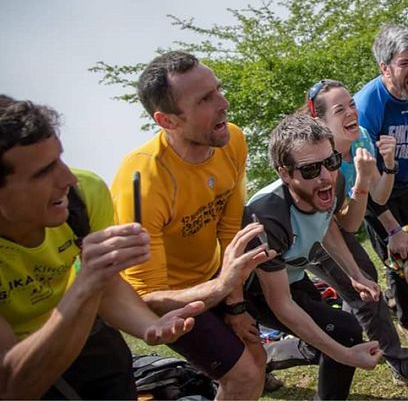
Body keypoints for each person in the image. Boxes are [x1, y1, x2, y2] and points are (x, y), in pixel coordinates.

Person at [0, 97, 201, 399]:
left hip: (88, 334)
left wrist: (151, 325)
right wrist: (86, 284)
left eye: (61, 159)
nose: (67, 178)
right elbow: (13, 386)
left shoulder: (84, 193)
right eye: (44, 172)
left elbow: (107, 285)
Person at [110, 51, 274, 399]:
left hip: (216, 278)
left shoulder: (232, 140)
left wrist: (235, 305)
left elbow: (229, 232)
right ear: (167, 120)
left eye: (218, 90)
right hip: (174, 299)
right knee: (244, 376)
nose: (224, 103)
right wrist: (219, 291)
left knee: (256, 359)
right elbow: (147, 297)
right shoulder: (142, 180)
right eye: (205, 99)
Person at [303, 79, 408, 389]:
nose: (351, 112)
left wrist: (390, 165)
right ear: (321, 121)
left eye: (351, 104)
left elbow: (377, 198)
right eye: (340, 109)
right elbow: (342, 222)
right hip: (300, 235)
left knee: (355, 294)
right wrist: (364, 184)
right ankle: (402, 365)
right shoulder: (316, 161)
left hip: (329, 226)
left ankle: (275, 357)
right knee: (363, 292)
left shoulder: (361, 138)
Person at [243, 114, 383, 399]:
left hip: (292, 276)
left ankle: (272, 354)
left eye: (331, 161)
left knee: (322, 335)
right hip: (253, 290)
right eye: (309, 170)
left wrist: (355, 274)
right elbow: (280, 304)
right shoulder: (267, 217)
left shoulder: (336, 180)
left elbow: (329, 223)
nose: (325, 177)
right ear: (284, 173)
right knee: (344, 331)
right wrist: (346, 355)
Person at [354, 24, 408, 349]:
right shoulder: (367, 107)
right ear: (385, 68)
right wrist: (391, 229)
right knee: (400, 253)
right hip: (375, 194)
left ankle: (400, 298)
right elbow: (367, 182)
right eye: (405, 63)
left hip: (407, 183)